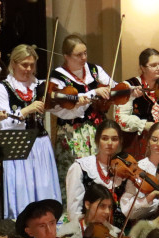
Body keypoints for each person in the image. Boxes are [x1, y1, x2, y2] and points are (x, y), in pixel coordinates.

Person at [0, 44, 62, 220]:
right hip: (17, 146)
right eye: (24, 65)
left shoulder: (41, 86)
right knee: (22, 190)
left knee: (44, 190)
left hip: (40, 145)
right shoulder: (2, 88)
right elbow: (3, 124)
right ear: (13, 64)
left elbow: (61, 110)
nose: (29, 69)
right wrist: (26, 110)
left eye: (32, 65)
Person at [48, 34, 118, 201]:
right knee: (76, 176)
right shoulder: (58, 77)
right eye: (79, 55)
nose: (84, 58)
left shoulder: (94, 70)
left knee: (100, 173)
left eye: (85, 53)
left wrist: (125, 91)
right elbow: (60, 109)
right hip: (73, 133)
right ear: (66, 56)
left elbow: (114, 88)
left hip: (97, 129)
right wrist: (92, 93)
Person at [114, 48, 159, 154]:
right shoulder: (129, 86)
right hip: (140, 142)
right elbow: (120, 119)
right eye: (153, 65)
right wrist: (144, 125)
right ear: (142, 68)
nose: (158, 68)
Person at [118, 121, 159, 222]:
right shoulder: (138, 168)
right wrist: (149, 198)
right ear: (148, 141)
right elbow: (127, 210)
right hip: (146, 224)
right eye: (154, 140)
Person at [64, 120, 127, 226]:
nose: (110, 143)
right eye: (105, 138)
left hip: (116, 230)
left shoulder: (125, 170)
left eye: (114, 139)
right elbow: (74, 211)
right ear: (97, 140)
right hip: (88, 231)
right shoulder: (81, 167)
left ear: (120, 142)